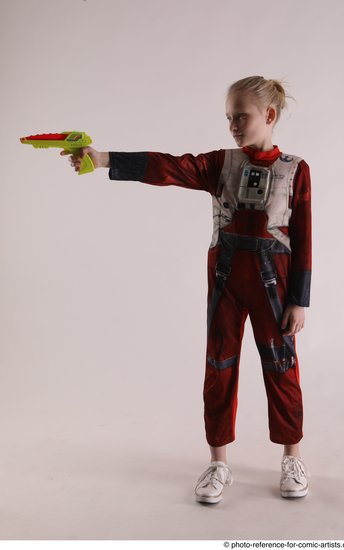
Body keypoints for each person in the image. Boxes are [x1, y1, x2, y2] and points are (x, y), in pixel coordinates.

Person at [61, 75, 312, 504]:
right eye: (229, 116)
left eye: (242, 116)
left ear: (269, 115)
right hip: (226, 284)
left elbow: (305, 236)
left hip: (275, 287)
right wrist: (103, 158)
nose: (233, 124)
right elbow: (169, 167)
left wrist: (300, 300)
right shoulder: (220, 164)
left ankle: (292, 456)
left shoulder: (296, 169)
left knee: (282, 368)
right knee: (219, 368)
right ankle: (218, 462)